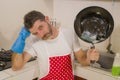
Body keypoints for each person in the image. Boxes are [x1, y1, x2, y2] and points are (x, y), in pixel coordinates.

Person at [11, 10, 99, 80]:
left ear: (47, 19)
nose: (41, 35)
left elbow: (82, 60)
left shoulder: (68, 33)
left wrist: (89, 59)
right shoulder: (34, 41)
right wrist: (21, 39)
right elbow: (16, 67)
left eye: (41, 27)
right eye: (35, 33)